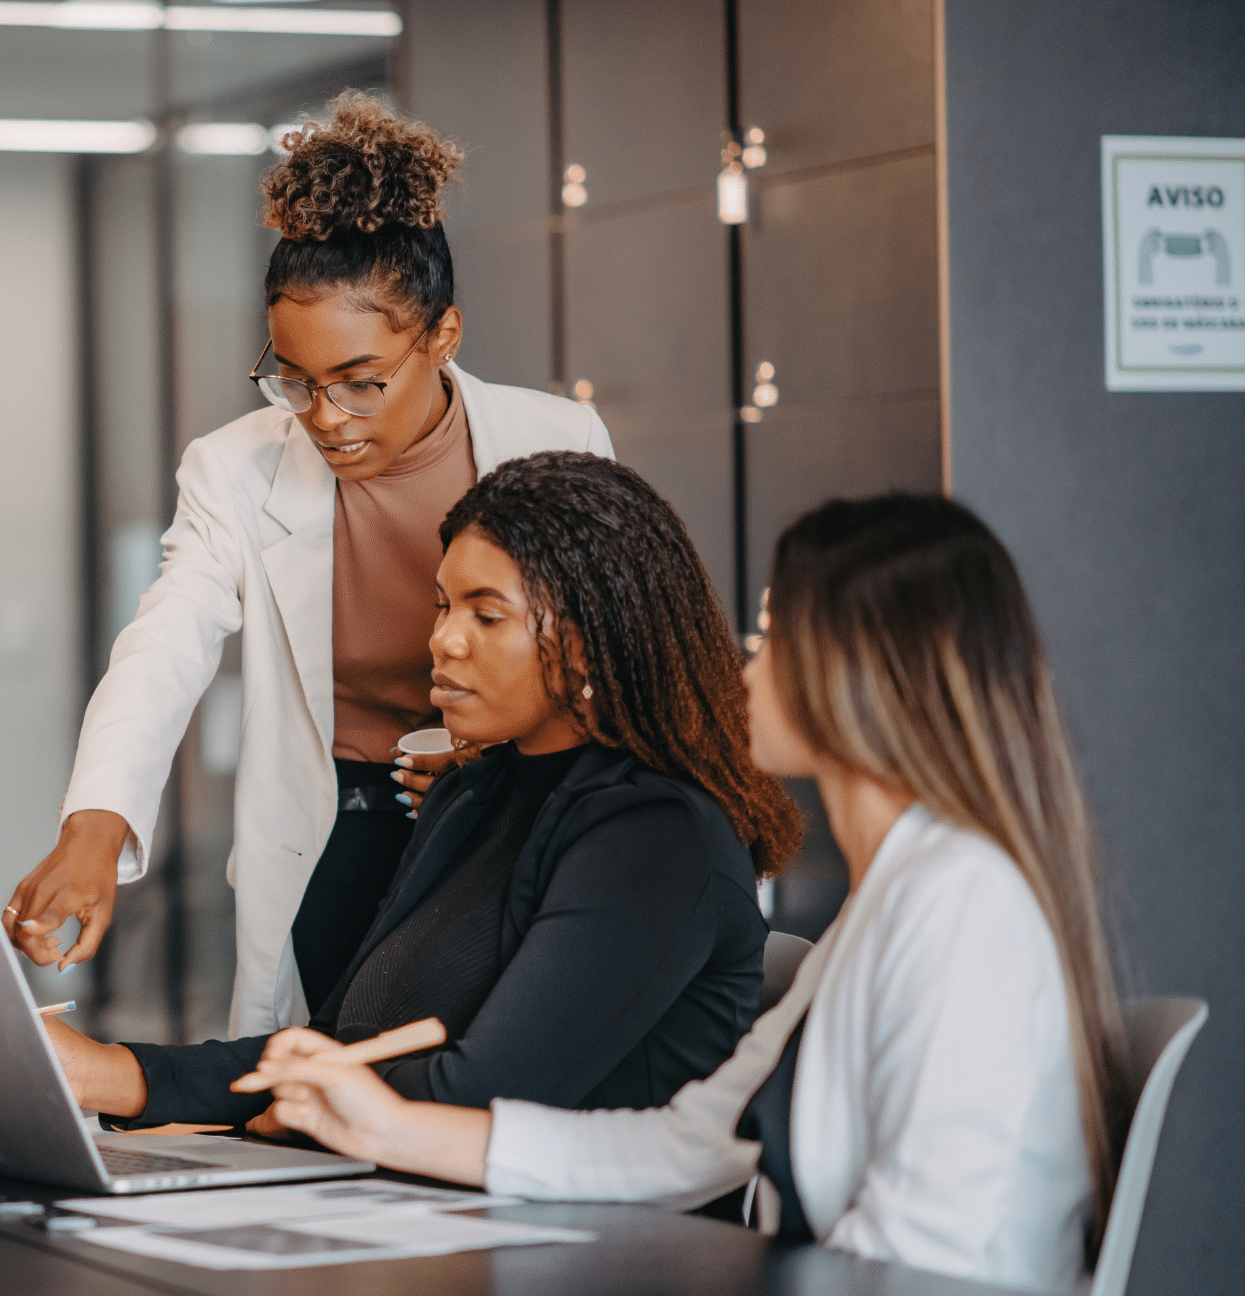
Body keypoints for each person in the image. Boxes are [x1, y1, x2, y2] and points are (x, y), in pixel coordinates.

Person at [246, 495, 1126, 1293]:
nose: (750, 663)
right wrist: (380, 1124)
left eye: (776, 635)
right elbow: (684, 1143)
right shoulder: (898, 896)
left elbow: (929, 1260)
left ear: (860, 674)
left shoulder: (963, 905)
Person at [6, 92, 614, 1035]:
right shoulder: (235, 468)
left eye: (361, 383)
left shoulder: (558, 440)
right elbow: (164, 644)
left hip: (514, 813)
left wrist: (497, 748)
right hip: (339, 821)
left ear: (442, 337)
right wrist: (97, 827)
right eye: (296, 380)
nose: (326, 418)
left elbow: (613, 653)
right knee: (324, 1070)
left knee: (492, 1063)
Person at [42, 452, 802, 1132]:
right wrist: (114, 1075)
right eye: (444, 604)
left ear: (588, 639)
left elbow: (487, 1095)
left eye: (487, 613)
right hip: (418, 1212)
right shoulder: (470, 797)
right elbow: (344, 1041)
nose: (443, 639)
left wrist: (312, 1099)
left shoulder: (656, 835)